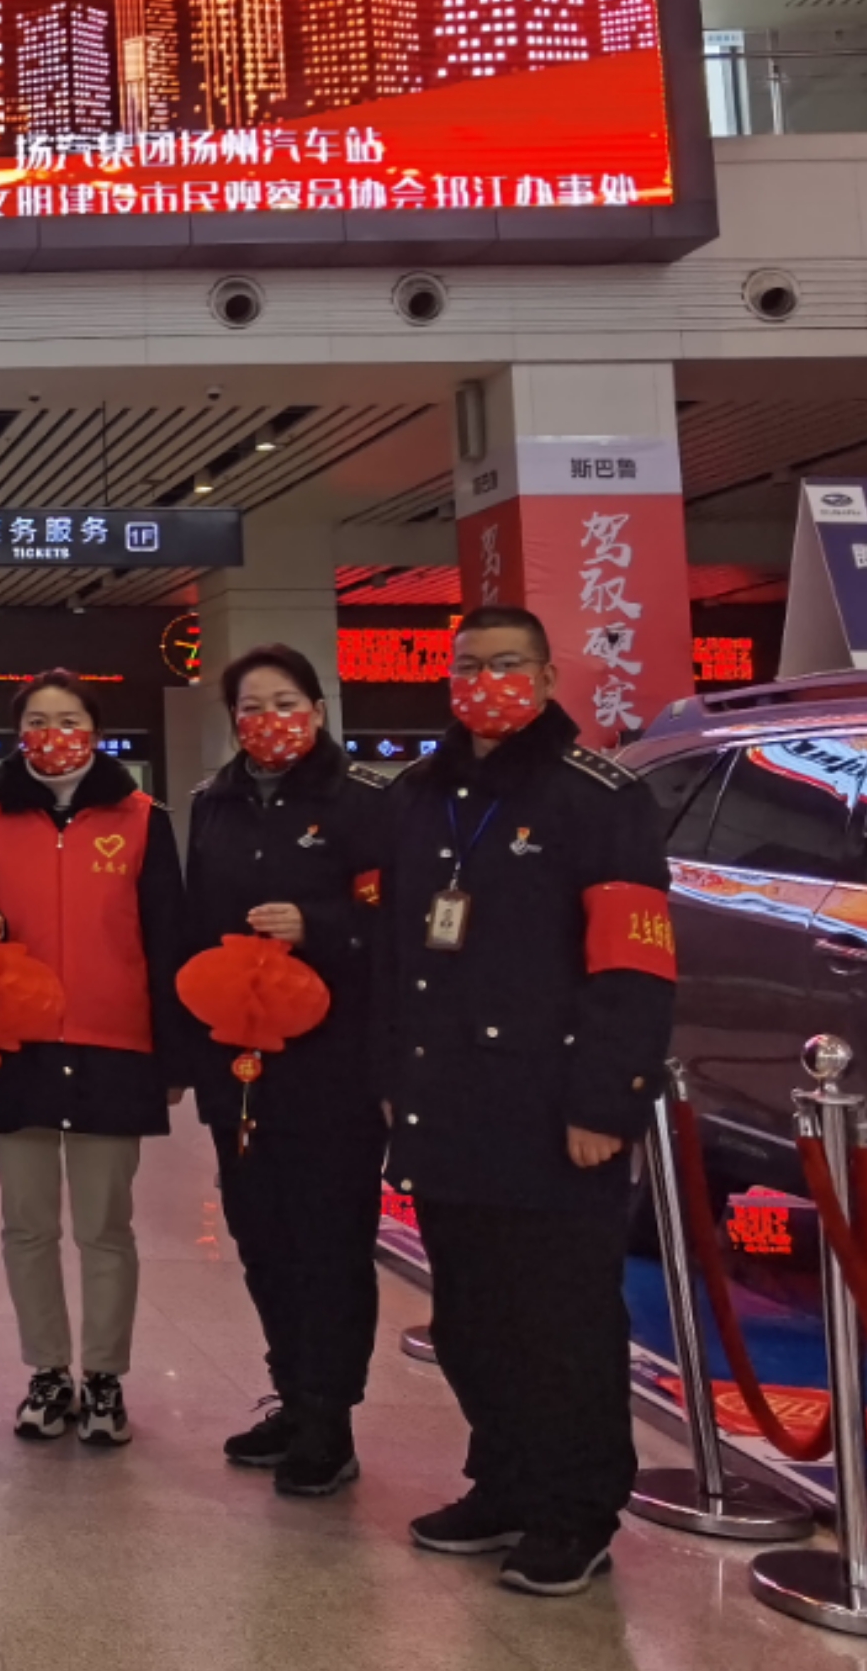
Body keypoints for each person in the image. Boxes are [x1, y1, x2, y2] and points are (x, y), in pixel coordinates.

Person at [384, 605, 677, 1598]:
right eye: (468, 664)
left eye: (508, 662)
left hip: (554, 1110)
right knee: (471, 1316)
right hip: (447, 1101)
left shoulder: (599, 798)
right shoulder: (420, 795)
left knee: (563, 1321)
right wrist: (394, 1084)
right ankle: (503, 1479)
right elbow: (398, 959)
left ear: (549, 676)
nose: (487, 681)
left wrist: (607, 1100)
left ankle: (575, 1510)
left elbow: (633, 968)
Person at [0, 668, 199, 1448]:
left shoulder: (143, 818)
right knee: (26, 1223)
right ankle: (48, 1371)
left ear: (96, 730)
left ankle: (106, 1375)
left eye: (69, 718)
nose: (53, 734)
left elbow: (169, 937)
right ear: (19, 733)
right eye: (38, 721)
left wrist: (174, 1057)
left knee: (104, 1225)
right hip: (10, 1043)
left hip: (115, 1045)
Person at [182, 644, 395, 1498]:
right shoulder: (213, 803)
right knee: (260, 1233)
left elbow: (403, 918)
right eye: (250, 706)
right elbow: (195, 923)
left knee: (329, 1241)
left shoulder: (367, 801)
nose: (267, 719)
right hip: (239, 1061)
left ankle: (330, 1416)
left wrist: (320, 924)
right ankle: (292, 1392)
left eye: (283, 702)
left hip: (333, 1063)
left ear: (317, 707)